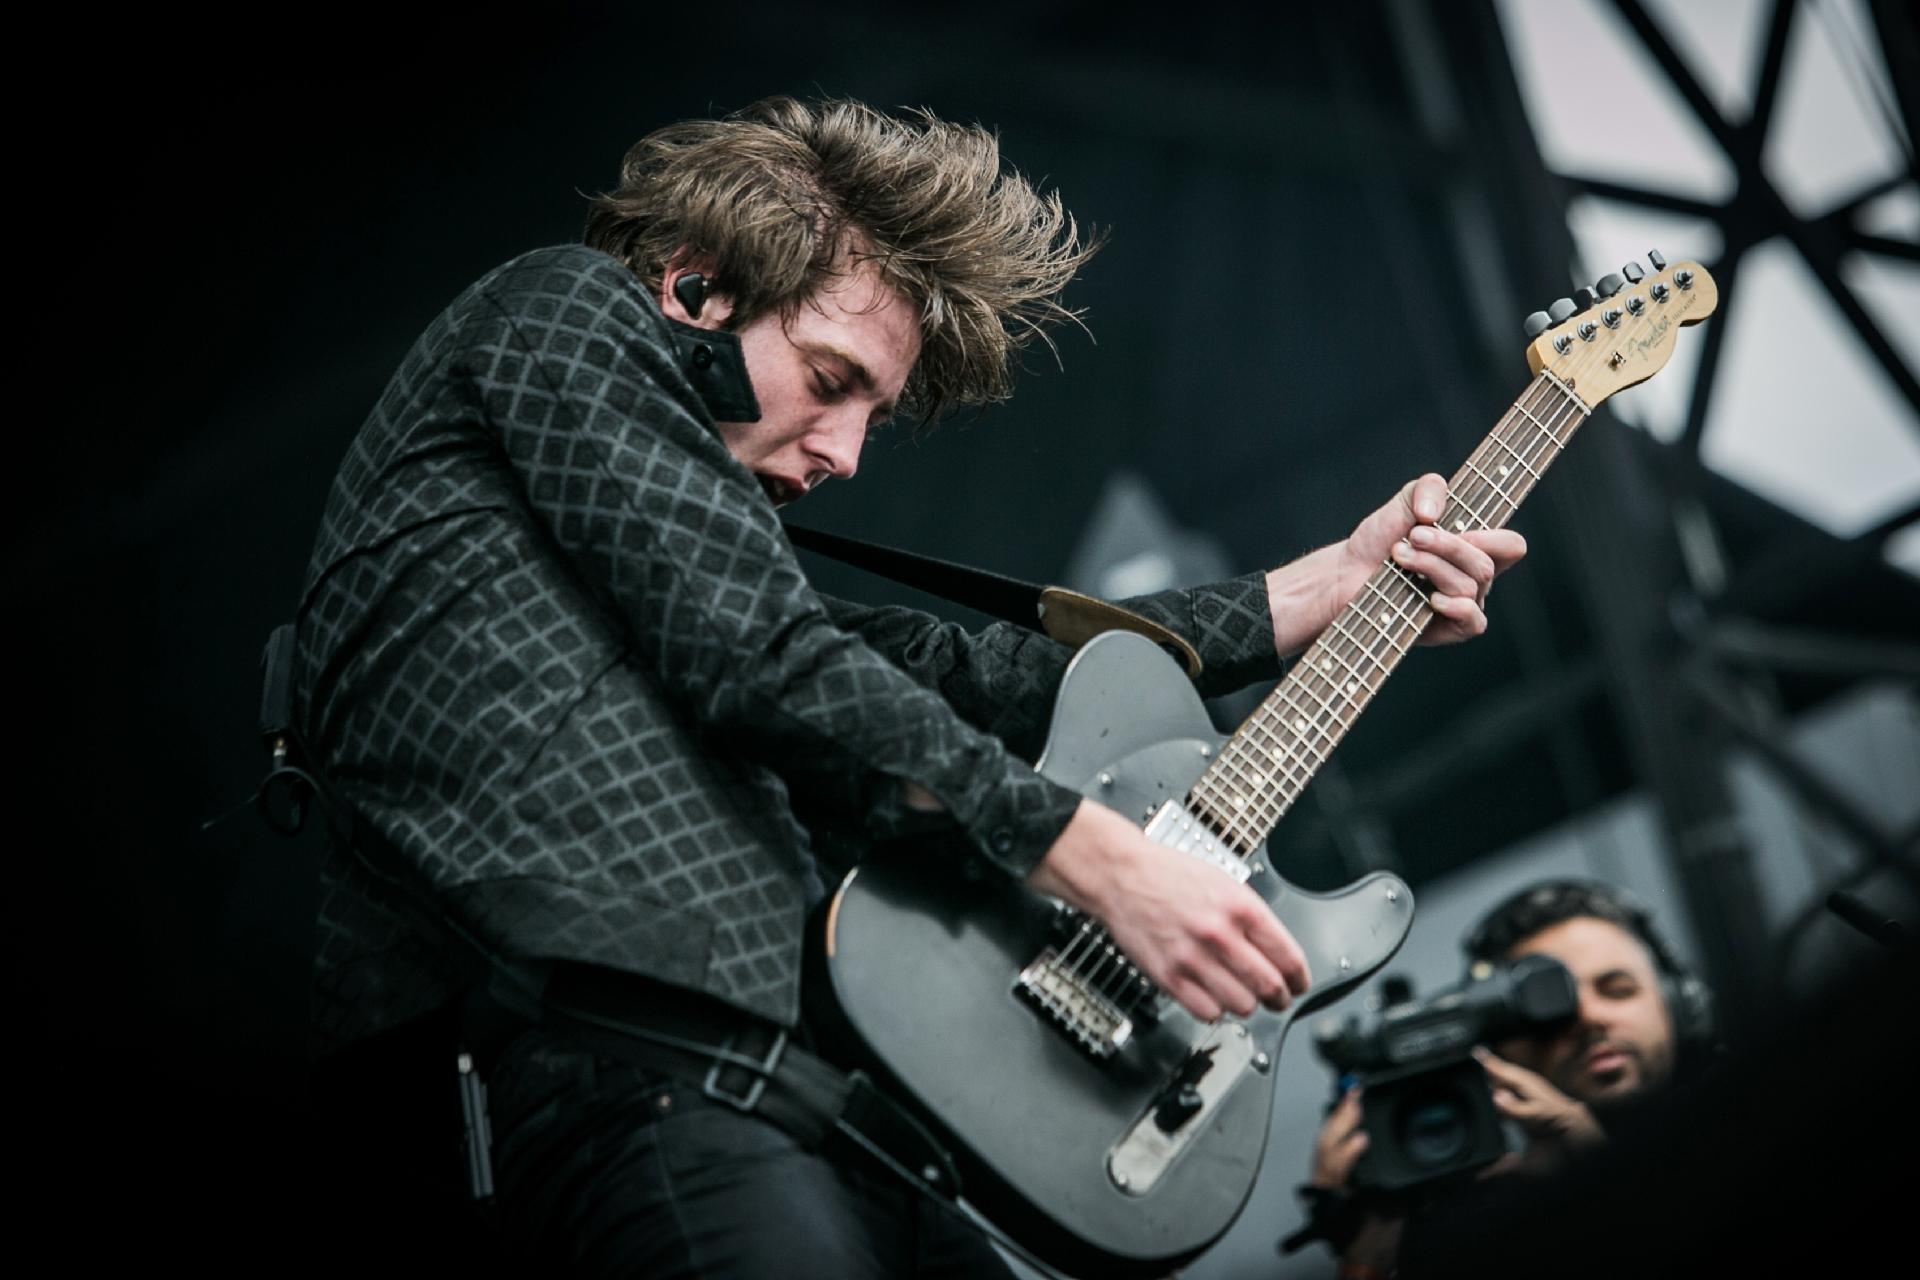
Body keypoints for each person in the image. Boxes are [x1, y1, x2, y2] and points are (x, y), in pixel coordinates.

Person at [291, 96, 1524, 1277]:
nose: (843, 455)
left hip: (834, 1112)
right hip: (629, 1079)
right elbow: (771, 666)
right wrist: (1101, 860)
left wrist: (1309, 594)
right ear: (695, 288)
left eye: (871, 415)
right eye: (831, 381)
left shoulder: (674, 577)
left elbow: (953, 671)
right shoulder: (560, 309)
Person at [1301, 879, 1712, 1278]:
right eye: (1546, 1008)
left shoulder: (1752, 1127)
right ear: (1497, 1049)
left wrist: (1595, 1168)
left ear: (1680, 1002)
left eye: (1617, 989)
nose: (1587, 1017)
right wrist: (1366, 1261)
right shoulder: (1470, 1231)